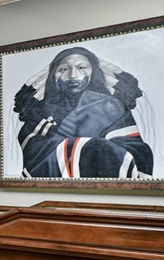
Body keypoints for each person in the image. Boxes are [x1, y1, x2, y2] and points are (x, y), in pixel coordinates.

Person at [13, 46, 152, 179]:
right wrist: (90, 147)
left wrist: (97, 149)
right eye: (63, 69)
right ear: (53, 75)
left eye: (82, 68)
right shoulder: (41, 111)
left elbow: (137, 150)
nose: (73, 75)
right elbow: (35, 152)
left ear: (94, 73)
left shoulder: (110, 106)